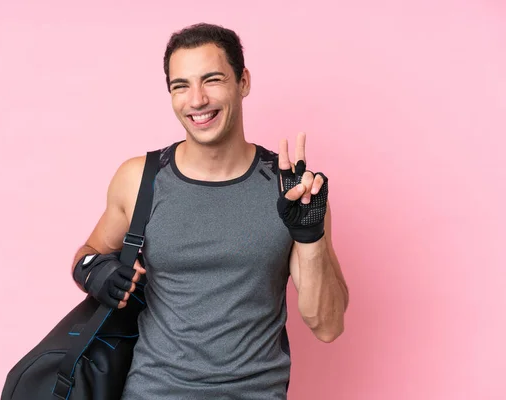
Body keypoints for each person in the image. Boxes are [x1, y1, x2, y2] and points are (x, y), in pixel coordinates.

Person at [70, 22, 349, 400]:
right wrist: (98, 274)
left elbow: (328, 325)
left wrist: (310, 237)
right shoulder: (139, 179)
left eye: (212, 80)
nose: (196, 99)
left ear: (243, 82)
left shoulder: (293, 191)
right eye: (180, 86)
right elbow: (86, 256)